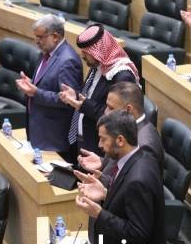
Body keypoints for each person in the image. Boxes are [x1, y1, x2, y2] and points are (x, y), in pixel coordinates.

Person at [75, 110, 169, 244]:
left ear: (120, 140)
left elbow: (138, 232)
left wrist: (99, 214)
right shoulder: (140, 158)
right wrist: (106, 191)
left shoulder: (138, 178)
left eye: (103, 139)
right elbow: (130, 202)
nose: (99, 145)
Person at [59, 24, 139, 158]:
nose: (82, 55)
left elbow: (119, 118)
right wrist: (76, 96)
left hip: (101, 150)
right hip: (84, 140)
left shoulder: (122, 75)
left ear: (99, 49)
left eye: (86, 52)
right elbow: (91, 97)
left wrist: (83, 105)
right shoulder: (98, 65)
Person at [15, 14, 82, 155]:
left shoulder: (68, 61)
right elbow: (47, 84)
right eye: (36, 36)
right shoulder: (47, 52)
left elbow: (69, 101)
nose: (36, 41)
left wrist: (35, 92)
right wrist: (31, 84)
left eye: (40, 37)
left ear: (55, 36)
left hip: (53, 138)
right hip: (39, 130)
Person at [77, 81, 164, 188]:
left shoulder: (144, 145)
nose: (105, 112)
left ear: (128, 110)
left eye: (111, 108)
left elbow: (133, 186)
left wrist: (102, 183)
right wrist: (102, 162)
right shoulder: (125, 127)